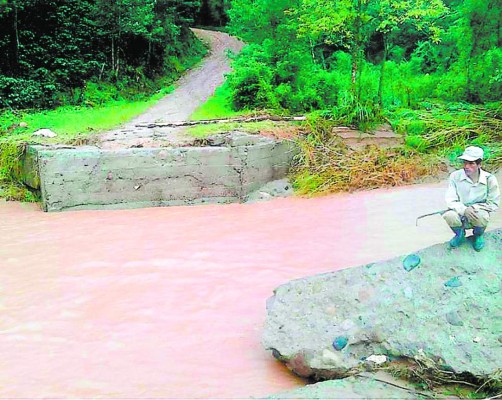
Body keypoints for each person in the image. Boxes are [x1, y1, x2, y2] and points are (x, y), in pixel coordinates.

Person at [443, 146, 500, 251]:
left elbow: (493, 204)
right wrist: (464, 210)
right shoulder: (455, 176)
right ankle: (459, 235)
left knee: (482, 217)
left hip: (477, 211)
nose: (466, 166)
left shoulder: (489, 179)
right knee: (449, 215)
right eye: (465, 162)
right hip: (460, 211)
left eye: (471, 163)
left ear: (479, 164)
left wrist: (474, 208)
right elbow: (450, 199)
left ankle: (478, 235)